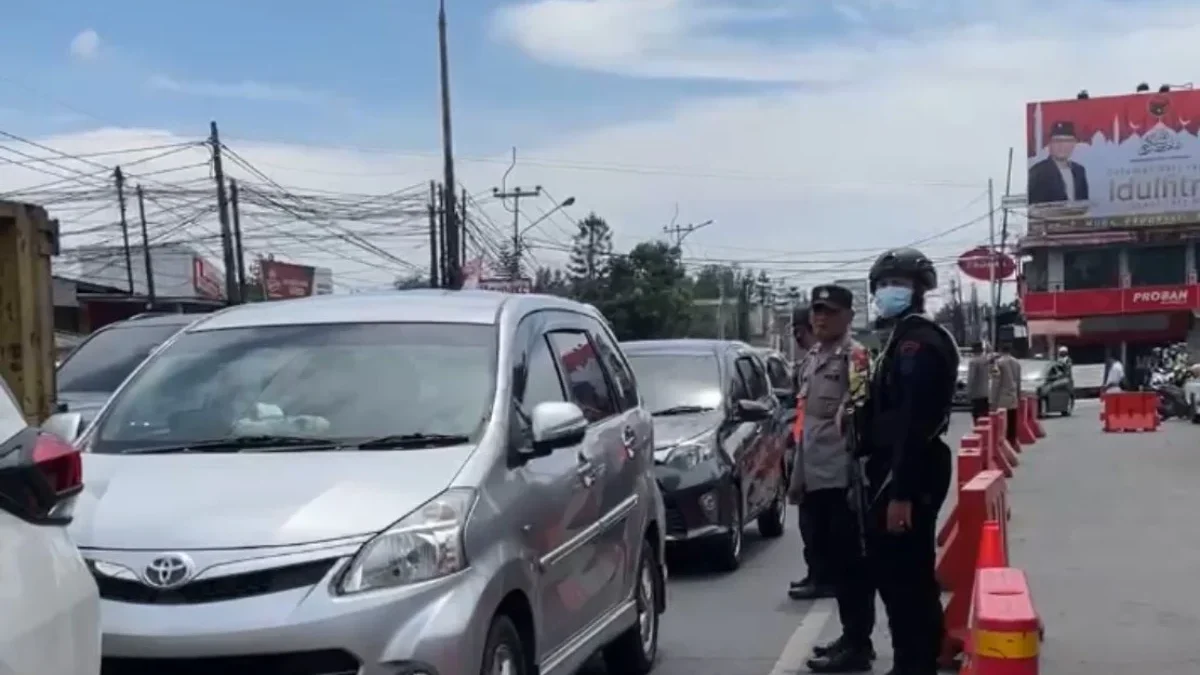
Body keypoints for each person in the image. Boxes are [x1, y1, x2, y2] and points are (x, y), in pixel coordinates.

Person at [861, 247, 959, 675]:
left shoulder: (916, 343)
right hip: (903, 466)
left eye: (897, 284)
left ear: (919, 291)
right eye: (882, 285)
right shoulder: (901, 337)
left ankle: (913, 665)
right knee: (909, 574)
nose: (887, 292)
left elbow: (910, 423)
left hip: (909, 471)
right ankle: (924, 655)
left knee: (902, 578)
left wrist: (900, 492)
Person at [789, 285, 876, 673]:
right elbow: (807, 420)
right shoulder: (811, 359)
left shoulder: (856, 358)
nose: (820, 318)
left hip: (844, 479)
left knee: (852, 565)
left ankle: (859, 643)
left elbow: (856, 418)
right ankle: (849, 636)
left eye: (829, 311)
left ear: (848, 316)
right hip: (815, 474)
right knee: (834, 566)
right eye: (816, 311)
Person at [787, 306, 835, 600]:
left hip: (823, 457)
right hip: (805, 450)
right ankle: (816, 574)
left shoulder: (831, 360)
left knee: (820, 524)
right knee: (809, 522)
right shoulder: (808, 363)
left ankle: (824, 577)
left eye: (798, 329)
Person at [1028, 120, 1090, 205]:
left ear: (1074, 144)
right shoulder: (1038, 172)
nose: (1062, 145)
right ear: (1049, 144)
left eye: (1067, 141)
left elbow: (1084, 203)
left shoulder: (1079, 171)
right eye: (1057, 141)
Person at [990, 343, 1021, 446]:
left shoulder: (998, 363)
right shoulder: (1016, 363)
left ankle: (1004, 445)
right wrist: (1018, 396)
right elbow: (1019, 382)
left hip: (1002, 398)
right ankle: (1012, 443)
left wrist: (992, 400)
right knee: (1012, 423)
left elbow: (996, 382)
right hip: (1013, 396)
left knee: (1002, 425)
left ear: (1000, 350)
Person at [965, 342, 990, 420]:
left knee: (977, 416)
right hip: (986, 393)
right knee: (985, 416)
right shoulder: (987, 360)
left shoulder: (973, 362)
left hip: (976, 394)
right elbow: (995, 374)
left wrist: (968, 392)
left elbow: (971, 378)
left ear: (973, 351)